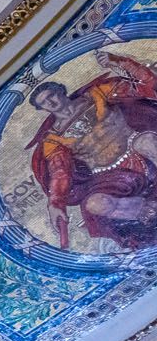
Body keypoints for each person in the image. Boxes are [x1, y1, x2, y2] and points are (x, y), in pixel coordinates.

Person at [25, 49, 157, 251]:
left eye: (51, 95)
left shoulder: (98, 93)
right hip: (108, 177)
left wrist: (120, 61)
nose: (51, 102)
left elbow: (146, 86)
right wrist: (56, 203)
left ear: (61, 91)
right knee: (94, 204)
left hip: (136, 150)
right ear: (43, 109)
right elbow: (60, 173)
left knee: (147, 141)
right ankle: (145, 212)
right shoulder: (52, 139)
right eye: (44, 103)